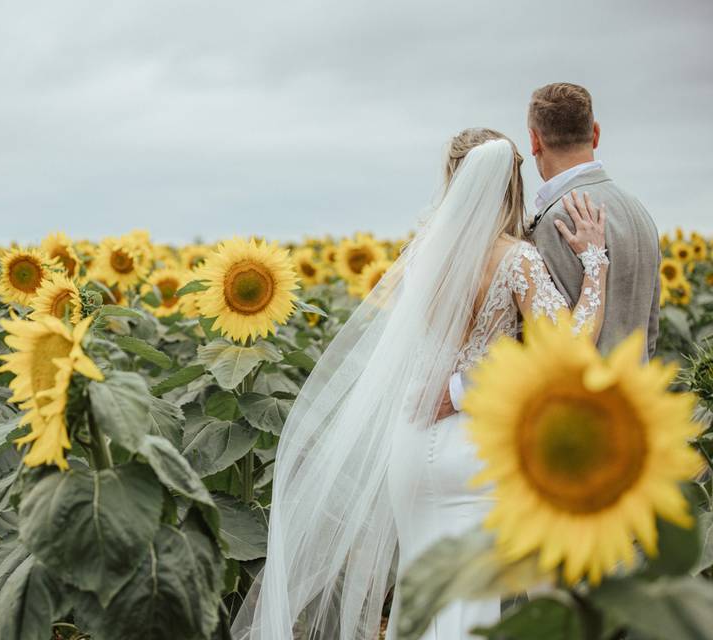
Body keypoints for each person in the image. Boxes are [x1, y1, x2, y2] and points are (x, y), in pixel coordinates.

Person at [231, 127, 610, 639]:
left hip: (409, 443)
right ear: (510, 184)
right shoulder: (516, 259)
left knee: (420, 596)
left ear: (454, 180)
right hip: (470, 446)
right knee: (467, 606)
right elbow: (569, 353)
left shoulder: (425, 255)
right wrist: (595, 265)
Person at [439, 82, 661, 421]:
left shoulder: (558, 220)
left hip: (571, 422)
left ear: (534, 140)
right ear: (595, 133)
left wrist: (460, 389)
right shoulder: (639, 213)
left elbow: (539, 348)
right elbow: (648, 330)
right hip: (632, 418)